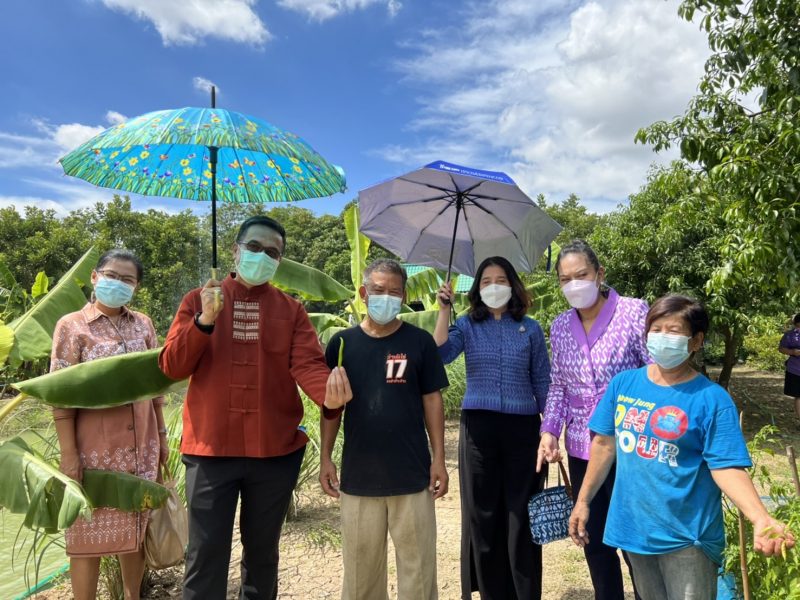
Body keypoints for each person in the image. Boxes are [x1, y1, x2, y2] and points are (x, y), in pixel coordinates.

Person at [158, 216, 352, 600]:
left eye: (272, 253)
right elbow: (172, 366)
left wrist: (328, 396)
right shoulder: (198, 300)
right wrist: (204, 321)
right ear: (235, 249)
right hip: (211, 450)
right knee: (205, 554)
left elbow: (309, 365)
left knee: (263, 554)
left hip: (274, 451)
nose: (262, 256)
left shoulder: (291, 310)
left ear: (279, 261)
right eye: (255, 247)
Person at [569, 294, 796, 600]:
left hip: (687, 538)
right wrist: (583, 501)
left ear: (696, 341)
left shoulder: (711, 399)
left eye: (673, 331)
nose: (662, 337)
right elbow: (604, 445)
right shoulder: (623, 384)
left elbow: (726, 466)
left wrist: (760, 518)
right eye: (656, 329)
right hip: (635, 529)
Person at [319, 259, 449, 600]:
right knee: (360, 577)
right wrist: (325, 457)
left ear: (404, 296)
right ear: (364, 293)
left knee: (418, 574)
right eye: (378, 290)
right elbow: (331, 407)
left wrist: (439, 458)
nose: (386, 297)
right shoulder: (341, 345)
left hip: (412, 476)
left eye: (394, 292)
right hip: (359, 479)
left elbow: (432, 400)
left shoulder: (420, 342)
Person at [51, 249, 166, 600]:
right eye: (111, 275)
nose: (118, 283)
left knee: (135, 531)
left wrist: (162, 438)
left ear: (136, 286)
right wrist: (69, 454)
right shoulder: (72, 325)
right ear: (95, 277)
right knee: (85, 536)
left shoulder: (143, 324)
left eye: (127, 279)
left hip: (142, 446)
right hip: (94, 451)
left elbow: (156, 386)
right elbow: (60, 395)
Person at [537, 239, 648, 600]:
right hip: (582, 448)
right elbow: (558, 384)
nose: (574, 284)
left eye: (581, 275)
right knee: (594, 540)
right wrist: (550, 430)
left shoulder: (633, 312)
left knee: (636, 543)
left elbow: (655, 373)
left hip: (629, 446)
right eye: (565, 279)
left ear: (599, 274)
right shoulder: (560, 325)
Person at [433, 255, 550, 600]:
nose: (494, 287)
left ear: (513, 286)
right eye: (486, 281)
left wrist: (550, 431)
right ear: (476, 289)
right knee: (482, 514)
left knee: (520, 515)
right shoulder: (467, 325)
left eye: (501, 280)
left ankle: (524, 593)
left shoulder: (530, 328)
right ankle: (490, 593)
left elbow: (542, 381)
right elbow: (439, 355)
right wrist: (443, 310)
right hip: (479, 430)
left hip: (523, 430)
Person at [778, 312, 800, 420]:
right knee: (799, 395)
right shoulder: (790, 335)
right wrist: (792, 352)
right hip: (795, 369)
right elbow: (781, 349)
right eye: (798, 326)